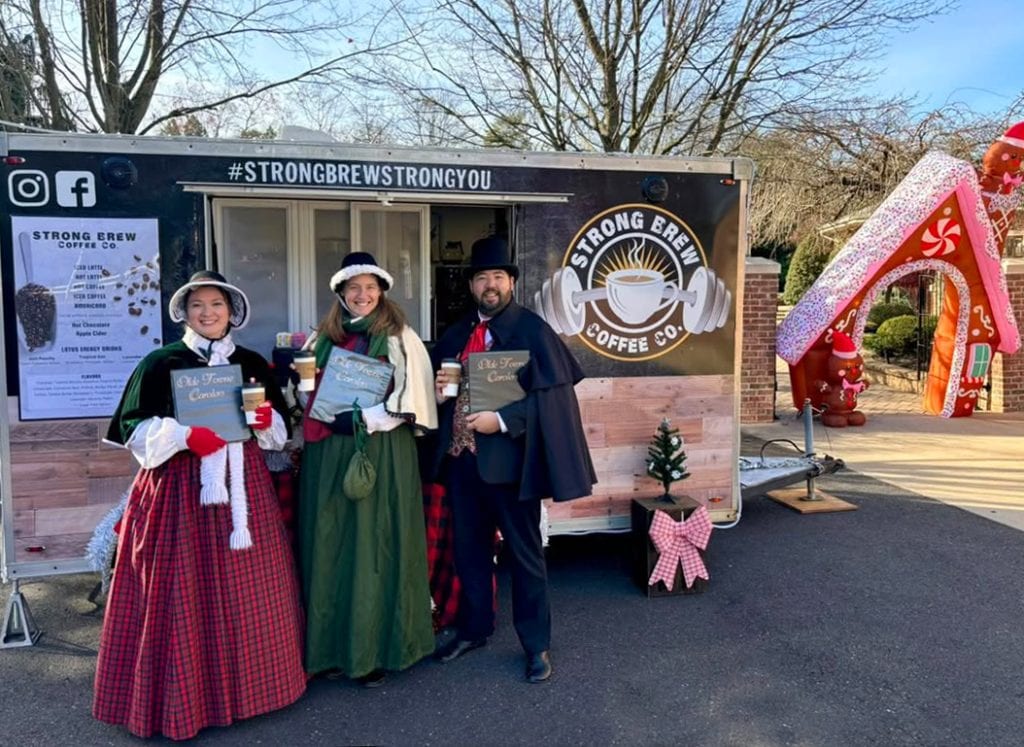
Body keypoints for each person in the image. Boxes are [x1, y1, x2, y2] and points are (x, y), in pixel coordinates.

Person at [93, 270, 306, 740]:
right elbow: (132, 429)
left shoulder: (250, 362)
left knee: (249, 587)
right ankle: (183, 699)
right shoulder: (160, 363)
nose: (208, 313)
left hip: (243, 486)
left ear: (232, 311)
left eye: (216, 305)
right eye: (198, 305)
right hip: (179, 490)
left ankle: (254, 690)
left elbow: (276, 434)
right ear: (184, 313)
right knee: (180, 590)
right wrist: (185, 435)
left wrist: (265, 420)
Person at [431, 235, 596, 683]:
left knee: (525, 558)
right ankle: (475, 629)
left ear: (511, 283)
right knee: (469, 553)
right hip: (462, 463)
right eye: (482, 277)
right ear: (471, 285)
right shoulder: (457, 332)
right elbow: (438, 391)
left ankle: (536, 645)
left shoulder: (533, 331)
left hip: (509, 467)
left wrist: (502, 420)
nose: (490, 285)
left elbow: (551, 401)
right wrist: (439, 396)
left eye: (498, 277)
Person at [298, 251, 438, 688]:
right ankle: (328, 649)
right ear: (341, 293)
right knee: (330, 543)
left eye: (370, 288)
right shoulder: (322, 337)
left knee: (376, 543)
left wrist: (365, 419)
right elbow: (301, 392)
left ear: (382, 292)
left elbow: (413, 397)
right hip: (329, 452)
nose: (363, 295)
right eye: (354, 288)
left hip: (381, 449)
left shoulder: (400, 336)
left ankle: (374, 649)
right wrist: (308, 397)